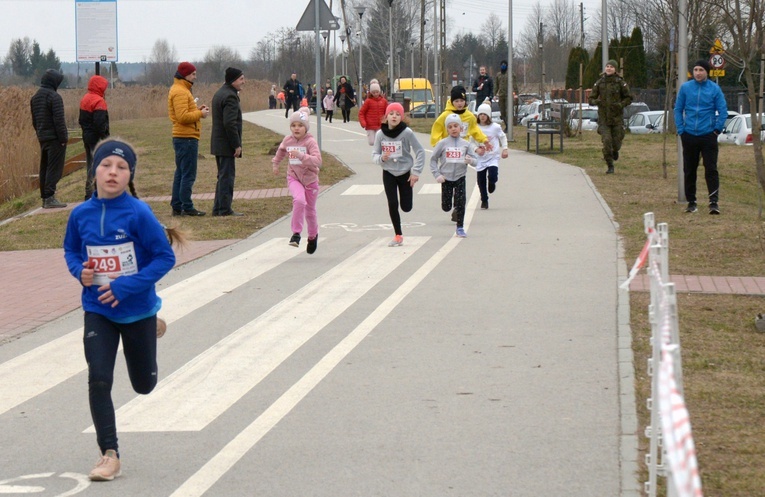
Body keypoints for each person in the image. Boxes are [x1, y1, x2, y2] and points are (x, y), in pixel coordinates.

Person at [63, 139, 185, 482]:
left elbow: (165, 257)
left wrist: (123, 287)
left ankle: (153, 322)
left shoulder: (138, 213)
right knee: (99, 378)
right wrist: (81, 273)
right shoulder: (80, 214)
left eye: (121, 168)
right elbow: (71, 251)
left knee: (143, 385)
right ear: (94, 171)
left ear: (129, 175)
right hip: (97, 309)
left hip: (136, 309)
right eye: (106, 166)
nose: (112, 173)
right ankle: (109, 454)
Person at [674, 59, 727, 214]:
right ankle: (691, 202)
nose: (698, 73)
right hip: (689, 134)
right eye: (696, 70)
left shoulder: (714, 89)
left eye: (701, 70)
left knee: (711, 169)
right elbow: (678, 109)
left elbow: (723, 111)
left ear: (706, 72)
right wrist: (681, 130)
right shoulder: (685, 88)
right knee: (689, 169)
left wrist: (717, 130)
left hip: (708, 135)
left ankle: (713, 202)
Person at [372, 102, 426, 247]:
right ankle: (398, 235)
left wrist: (416, 172)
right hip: (388, 172)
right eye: (391, 114)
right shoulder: (380, 134)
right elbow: (374, 154)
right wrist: (381, 158)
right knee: (392, 203)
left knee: (406, 207)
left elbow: (420, 151)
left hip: (405, 173)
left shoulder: (407, 133)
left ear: (402, 117)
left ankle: (406, 206)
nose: (394, 117)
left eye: (397, 114)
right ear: (386, 116)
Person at [272, 110, 322, 254]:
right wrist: (276, 164)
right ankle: (296, 234)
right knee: (299, 200)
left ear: (306, 127)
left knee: (310, 211)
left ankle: (313, 236)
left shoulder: (310, 142)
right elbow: (281, 150)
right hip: (293, 177)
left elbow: (318, 161)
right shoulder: (288, 140)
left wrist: (301, 155)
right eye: (293, 125)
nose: (296, 128)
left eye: (300, 125)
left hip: (310, 180)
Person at [430, 114, 484, 238]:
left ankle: (460, 227)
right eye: (450, 127)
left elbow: (476, 161)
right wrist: (437, 174)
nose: (453, 129)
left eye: (456, 126)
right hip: (446, 178)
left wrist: (471, 161)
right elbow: (433, 160)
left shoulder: (465, 144)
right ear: (447, 129)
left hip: (460, 176)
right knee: (446, 206)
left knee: (461, 202)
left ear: (461, 128)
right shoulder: (442, 143)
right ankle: (451, 207)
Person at [168, 61, 209, 216]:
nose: (195, 77)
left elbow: (184, 112)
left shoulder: (182, 89)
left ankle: (177, 205)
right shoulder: (180, 91)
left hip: (183, 137)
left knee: (181, 172)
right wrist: (200, 114)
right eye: (193, 74)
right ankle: (187, 205)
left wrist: (197, 110)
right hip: (186, 138)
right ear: (185, 75)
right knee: (188, 174)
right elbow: (182, 116)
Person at [30, 68, 68, 209]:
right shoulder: (54, 97)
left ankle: (45, 197)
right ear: (54, 82)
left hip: (43, 137)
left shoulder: (35, 97)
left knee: (44, 167)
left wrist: (40, 133)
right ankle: (50, 197)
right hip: (55, 138)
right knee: (54, 168)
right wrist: (63, 138)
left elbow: (35, 121)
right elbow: (59, 120)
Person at [211, 67, 245, 217]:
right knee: (227, 176)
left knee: (222, 176)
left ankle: (218, 208)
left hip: (218, 143)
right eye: (241, 79)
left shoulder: (220, 93)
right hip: (226, 144)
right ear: (233, 80)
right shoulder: (230, 97)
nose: (243, 82)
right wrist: (236, 145)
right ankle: (224, 209)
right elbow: (230, 123)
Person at [588, 59, 632, 174]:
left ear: (615, 69)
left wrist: (621, 105)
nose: (609, 68)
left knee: (616, 142)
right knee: (607, 142)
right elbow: (591, 99)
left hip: (617, 119)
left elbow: (629, 98)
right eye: (607, 66)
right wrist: (597, 102)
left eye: (611, 67)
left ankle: (615, 151)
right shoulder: (599, 83)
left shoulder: (620, 83)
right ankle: (610, 165)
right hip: (604, 119)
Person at [79, 75, 112, 201]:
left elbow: (81, 120)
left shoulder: (85, 98)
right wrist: (105, 138)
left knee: (90, 163)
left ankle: (89, 191)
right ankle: (95, 191)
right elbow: (100, 124)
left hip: (86, 136)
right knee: (98, 165)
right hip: (96, 139)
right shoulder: (99, 101)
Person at [475, 103, 509, 209]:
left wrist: (505, 149)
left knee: (493, 174)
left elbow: (502, 137)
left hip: (492, 156)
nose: (482, 116)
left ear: (489, 116)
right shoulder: (475, 128)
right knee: (481, 181)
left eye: (485, 114)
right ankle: (484, 200)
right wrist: (476, 149)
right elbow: (470, 142)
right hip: (480, 158)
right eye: (480, 114)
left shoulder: (495, 127)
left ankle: (492, 182)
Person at [495, 59, 510, 132]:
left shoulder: (510, 74)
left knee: (508, 111)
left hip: (508, 95)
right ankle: (507, 125)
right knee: (502, 112)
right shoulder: (498, 75)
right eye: (502, 65)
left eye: (504, 65)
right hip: (501, 95)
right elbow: (496, 85)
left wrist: (516, 93)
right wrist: (495, 94)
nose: (503, 66)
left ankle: (509, 127)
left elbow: (514, 84)